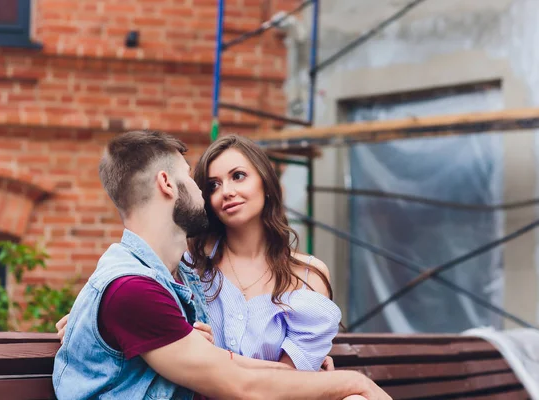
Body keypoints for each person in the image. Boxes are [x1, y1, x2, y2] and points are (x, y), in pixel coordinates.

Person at [53, 130, 390, 399]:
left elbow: (233, 372)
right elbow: (237, 384)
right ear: (168, 184)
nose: (218, 193)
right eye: (206, 184)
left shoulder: (162, 275)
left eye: (238, 176)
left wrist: (316, 379)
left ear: (266, 183)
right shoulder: (175, 273)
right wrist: (349, 383)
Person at [186, 134, 341, 372]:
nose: (226, 191)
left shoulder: (308, 275)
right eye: (213, 185)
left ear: (266, 184)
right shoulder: (192, 269)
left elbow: (290, 378)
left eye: (238, 176)